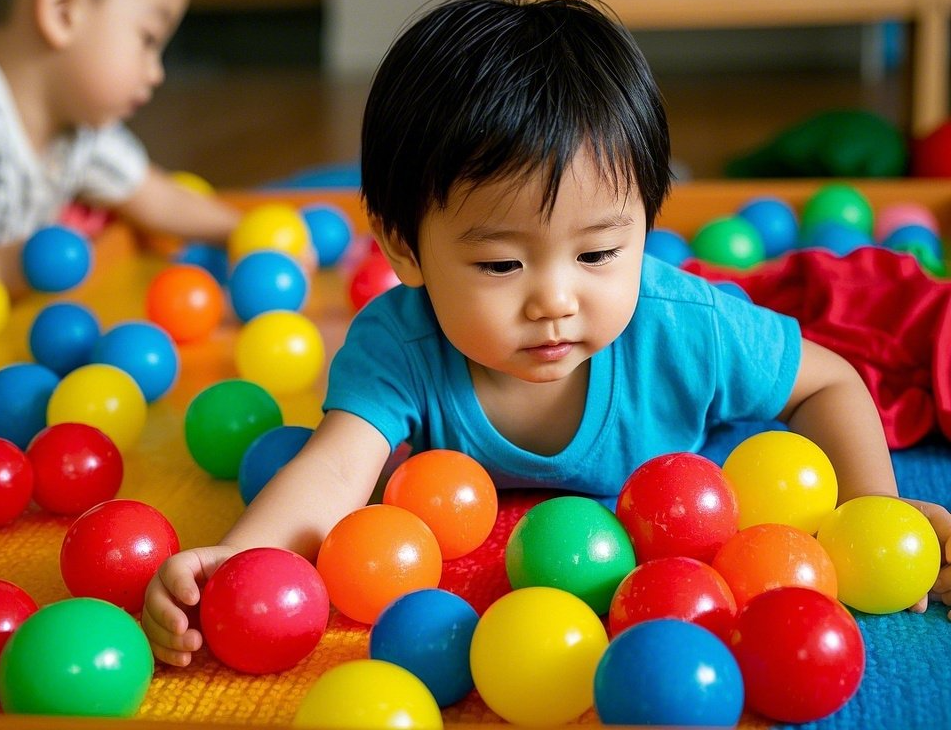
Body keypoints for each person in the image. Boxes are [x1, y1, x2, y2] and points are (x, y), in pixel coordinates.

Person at [143, 0, 951, 666]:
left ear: (646, 222)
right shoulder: (400, 344)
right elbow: (332, 471)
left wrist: (873, 514)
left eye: (599, 252)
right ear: (402, 247)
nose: (554, 301)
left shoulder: (687, 332)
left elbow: (829, 378)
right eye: (500, 265)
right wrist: (244, 561)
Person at [0, 0, 240, 297]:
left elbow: (159, 199)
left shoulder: (84, 136)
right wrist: (15, 265)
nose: (156, 73)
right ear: (62, 13)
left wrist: (241, 231)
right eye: (148, 40)